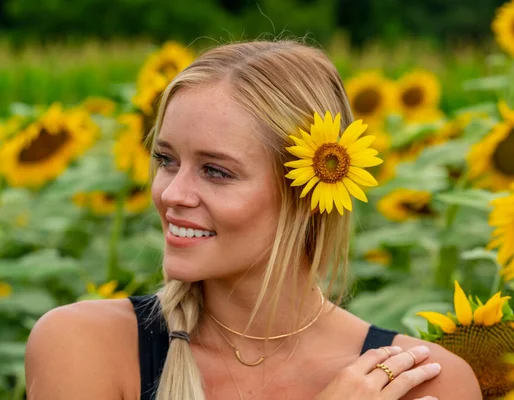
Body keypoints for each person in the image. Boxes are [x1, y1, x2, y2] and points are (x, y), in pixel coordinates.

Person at [24, 40, 481, 400]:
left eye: (216, 171)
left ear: (310, 190)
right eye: (166, 159)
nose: (172, 194)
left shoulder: (419, 381)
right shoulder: (84, 347)